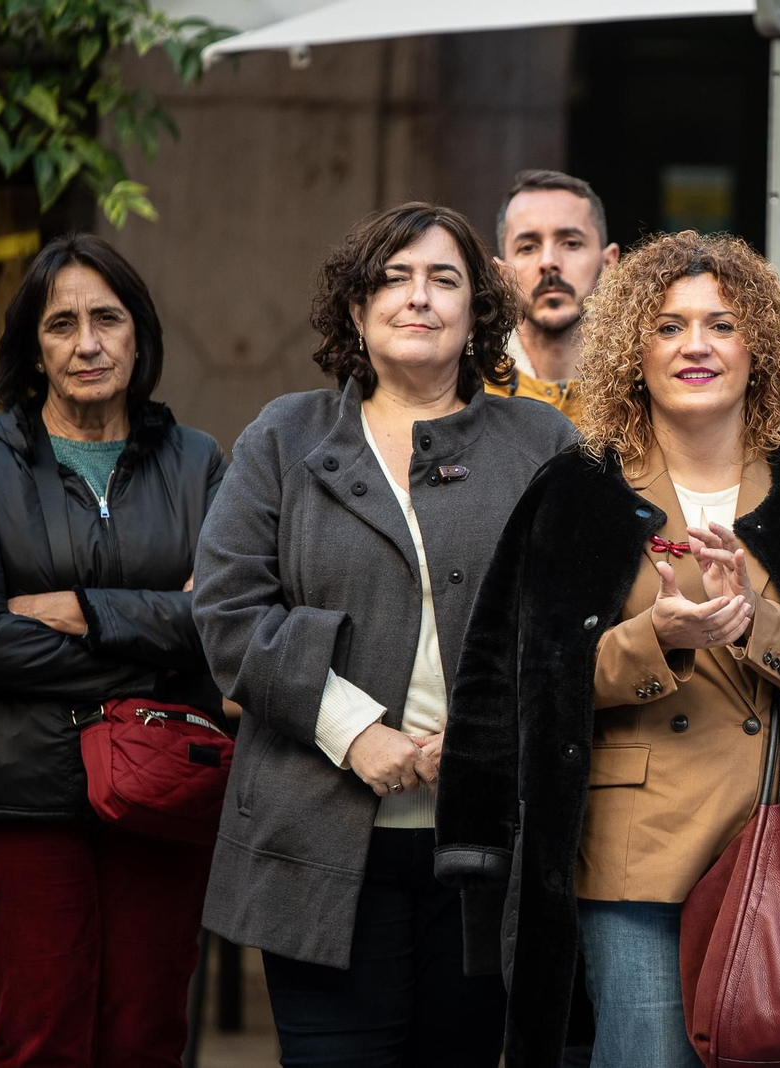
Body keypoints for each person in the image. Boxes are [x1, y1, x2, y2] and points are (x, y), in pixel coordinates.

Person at [434, 230, 780, 1067]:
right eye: (668, 327)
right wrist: (653, 642)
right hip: (641, 857)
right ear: (634, 352)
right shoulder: (577, 490)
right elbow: (521, 678)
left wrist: (757, 625)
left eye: (721, 325)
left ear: (758, 347)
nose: (695, 345)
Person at [191, 202, 577, 1066]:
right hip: (315, 838)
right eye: (394, 278)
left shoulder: (542, 442)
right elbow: (227, 611)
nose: (419, 297)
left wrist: (481, 738)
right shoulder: (285, 437)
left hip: (486, 844)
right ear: (357, 308)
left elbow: (570, 626)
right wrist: (354, 730)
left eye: (444, 279)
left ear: (478, 311)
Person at [0, 234, 227, 1068]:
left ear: (138, 334)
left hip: (162, 783)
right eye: (62, 325)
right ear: (34, 349)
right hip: (22, 795)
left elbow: (222, 623)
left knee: (145, 1036)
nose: (87, 344)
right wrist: (160, 640)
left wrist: (86, 611)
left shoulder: (198, 463)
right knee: (38, 1038)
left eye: (107, 319)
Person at [485, 168, 620, 421]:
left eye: (571, 243)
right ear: (502, 273)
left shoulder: (639, 388)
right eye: (528, 247)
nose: (549, 261)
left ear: (608, 263)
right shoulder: (468, 389)